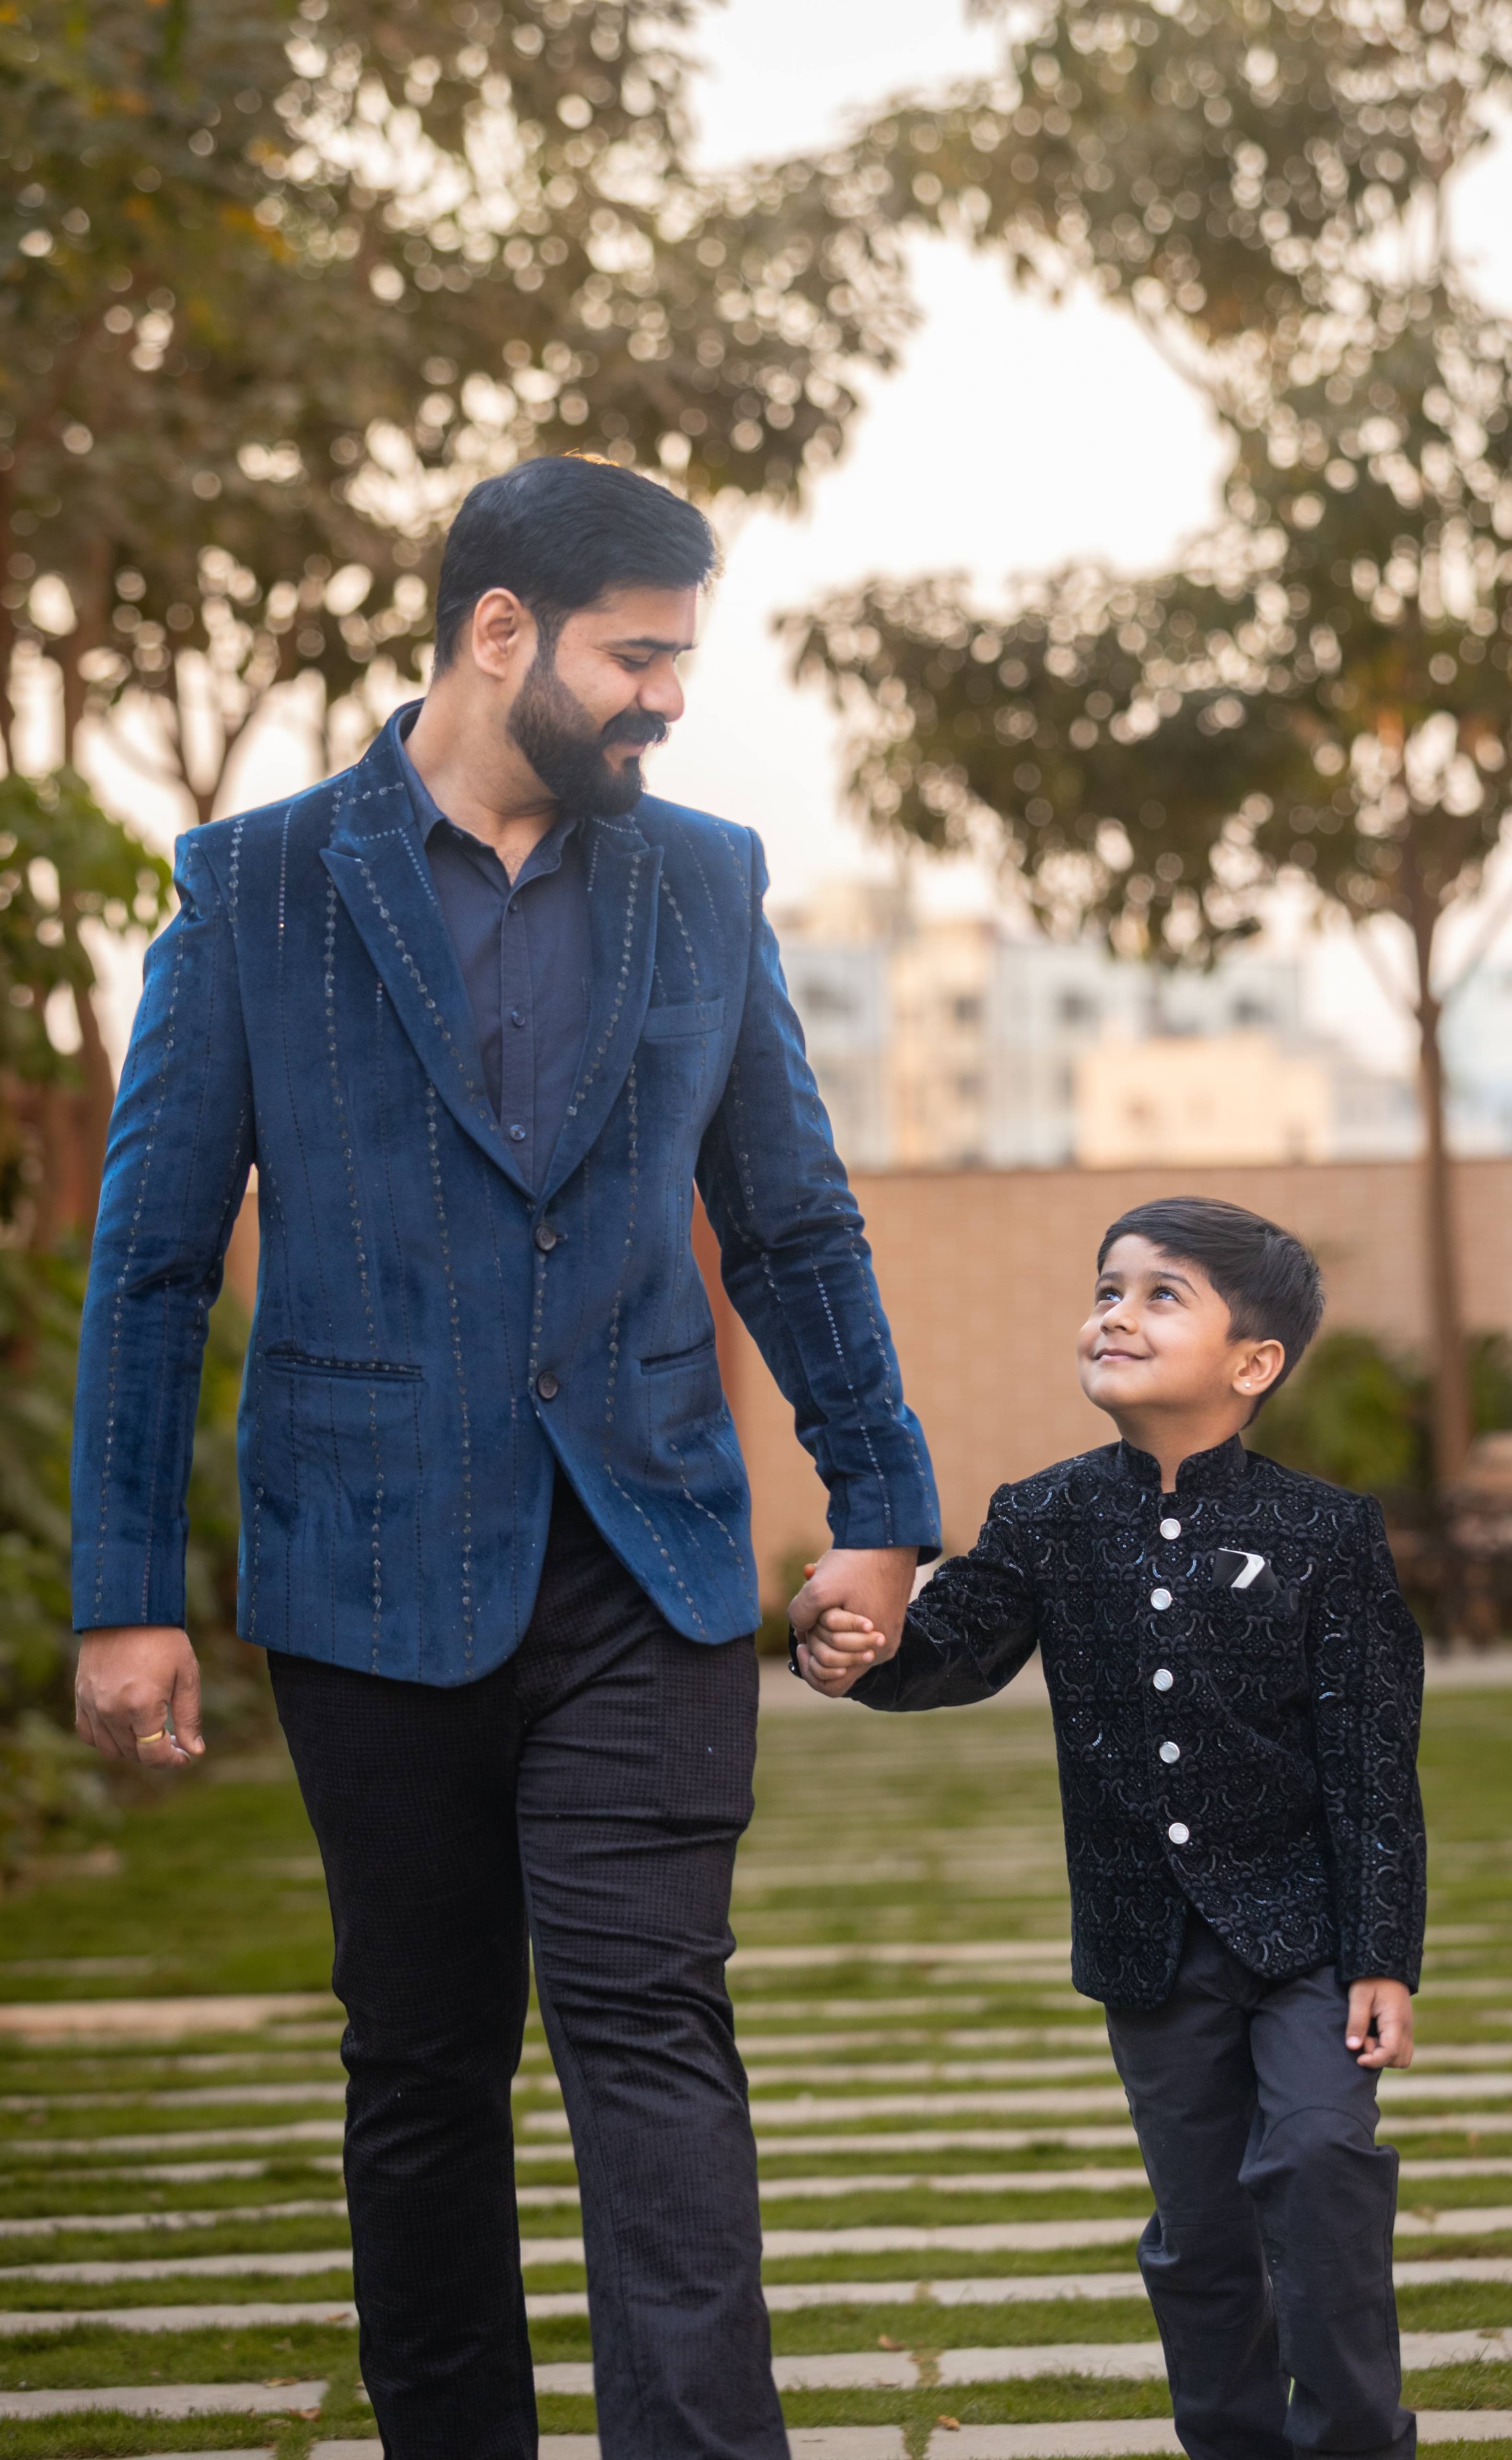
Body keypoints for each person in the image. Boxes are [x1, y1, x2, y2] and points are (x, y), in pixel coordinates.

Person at [67, 453, 939, 2460]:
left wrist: (883, 1506)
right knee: (427, 2065)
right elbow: (151, 1263)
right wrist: (125, 1594)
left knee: (654, 2038)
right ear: (499, 632)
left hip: (646, 1563)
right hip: (369, 1576)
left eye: (681, 657)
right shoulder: (257, 886)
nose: (668, 698)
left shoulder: (703, 879)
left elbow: (795, 1222)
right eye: (639, 655)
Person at [797, 1196, 1425, 2460]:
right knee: (1200, 2234)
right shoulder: (1047, 1516)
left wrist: (1381, 1953)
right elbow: (955, 1646)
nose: (1116, 1314)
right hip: (1149, 1949)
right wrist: (861, 1648)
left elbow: (1371, 1764)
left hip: (1304, 1937)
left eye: (1161, 1294)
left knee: (1314, 2169)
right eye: (1109, 1288)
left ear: (1254, 1364)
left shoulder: (1327, 1536)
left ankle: (1358, 2441)